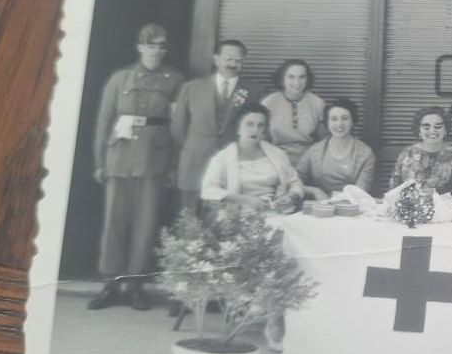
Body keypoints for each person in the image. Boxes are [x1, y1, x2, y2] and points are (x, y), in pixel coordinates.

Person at [88, 23, 184, 311]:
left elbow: (178, 127)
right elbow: (104, 122)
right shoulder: (120, 79)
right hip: (120, 157)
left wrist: (173, 165)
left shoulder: (175, 80)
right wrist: (99, 161)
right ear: (140, 47)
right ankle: (111, 285)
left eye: (161, 45)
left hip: (154, 160)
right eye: (151, 44)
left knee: (145, 225)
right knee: (114, 224)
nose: (156, 50)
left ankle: (136, 286)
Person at [171, 39, 264, 213]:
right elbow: (178, 128)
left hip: (232, 164)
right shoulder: (191, 88)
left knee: (226, 219)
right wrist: (194, 146)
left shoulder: (254, 90)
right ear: (216, 59)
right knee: (189, 219)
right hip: (195, 161)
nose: (233, 63)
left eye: (238, 60)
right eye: (228, 58)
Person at [200, 102, 304, 211]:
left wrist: (289, 197)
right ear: (238, 127)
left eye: (260, 125)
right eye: (249, 124)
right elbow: (208, 190)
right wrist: (245, 200)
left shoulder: (277, 154)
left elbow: (295, 183)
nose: (255, 129)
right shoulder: (223, 158)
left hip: (276, 212)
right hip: (240, 216)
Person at [296, 98, 376, 199]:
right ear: (327, 123)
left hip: (351, 208)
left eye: (344, 118)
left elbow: (360, 193)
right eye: (334, 119)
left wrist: (335, 201)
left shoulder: (365, 153)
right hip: (320, 208)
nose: (339, 124)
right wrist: (315, 191)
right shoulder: (314, 151)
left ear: (352, 122)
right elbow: (294, 181)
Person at [261, 59, 326, 167]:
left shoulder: (317, 103)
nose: (297, 82)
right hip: (275, 160)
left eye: (302, 77)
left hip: (309, 161)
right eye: (291, 77)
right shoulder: (269, 103)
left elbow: (323, 142)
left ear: (307, 79)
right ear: (282, 79)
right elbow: (262, 141)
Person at [389, 106, 452, 195]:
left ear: (445, 130)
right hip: (408, 207)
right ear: (419, 131)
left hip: (444, 207)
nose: (432, 131)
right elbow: (394, 190)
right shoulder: (407, 153)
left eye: (438, 127)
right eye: (426, 127)